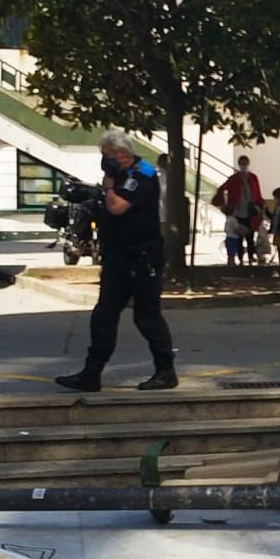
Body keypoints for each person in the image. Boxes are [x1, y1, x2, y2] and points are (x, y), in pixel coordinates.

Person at [55, 130, 177, 392]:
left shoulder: (141, 173)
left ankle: (166, 371)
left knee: (147, 316)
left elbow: (117, 206)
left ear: (121, 154)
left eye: (106, 156)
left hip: (141, 258)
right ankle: (91, 374)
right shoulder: (121, 174)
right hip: (118, 257)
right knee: (103, 316)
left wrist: (109, 184)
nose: (104, 161)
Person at [210, 155, 263, 243]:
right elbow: (222, 189)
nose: (244, 166)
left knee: (250, 235)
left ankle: (250, 255)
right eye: (242, 164)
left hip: (250, 211)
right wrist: (225, 205)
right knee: (238, 236)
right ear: (239, 164)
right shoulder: (233, 179)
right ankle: (240, 255)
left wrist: (260, 206)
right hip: (237, 211)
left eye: (245, 163)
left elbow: (257, 193)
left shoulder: (253, 178)